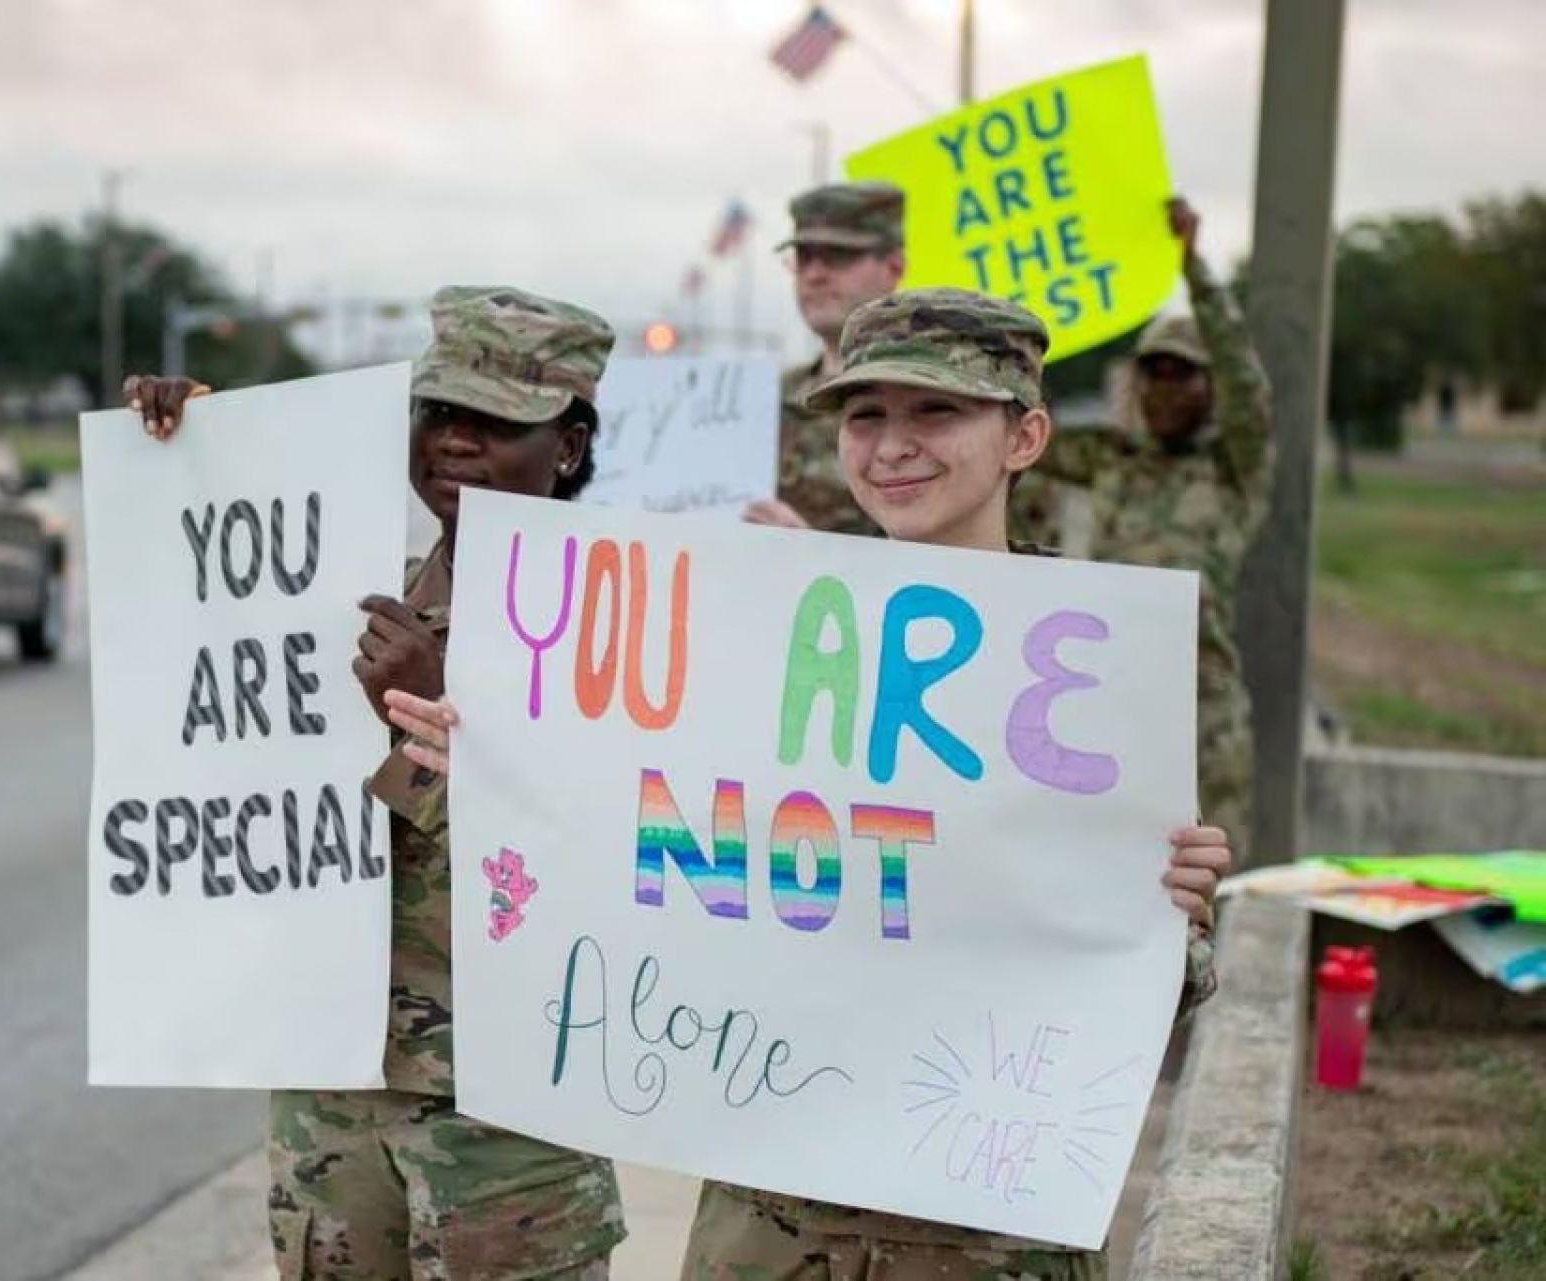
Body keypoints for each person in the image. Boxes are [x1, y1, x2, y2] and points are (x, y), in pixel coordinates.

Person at [389, 288, 1233, 1280]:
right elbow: (644, 860)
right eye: (865, 416)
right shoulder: (750, 632)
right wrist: (498, 783)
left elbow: (1136, 994)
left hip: (986, 1233)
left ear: (1027, 435)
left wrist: (1177, 915)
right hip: (770, 1224)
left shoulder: (1093, 672)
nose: (893, 447)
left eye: (937, 413)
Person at [125, 285, 627, 1280]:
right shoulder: (353, 593)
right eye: (441, 413)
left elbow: (603, 872)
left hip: (505, 1118)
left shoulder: (612, 635)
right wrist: (185, 458)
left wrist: (436, 727)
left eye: (498, 422)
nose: (457, 441)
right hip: (331, 1091)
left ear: (566, 447)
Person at [1011, 197, 1272, 855]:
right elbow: (1002, 440)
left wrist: (1196, 271)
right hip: (1103, 699)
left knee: (1214, 877)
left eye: (1181, 373)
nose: (1164, 388)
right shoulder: (1107, 459)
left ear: (1209, 386)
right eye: (1152, 372)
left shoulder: (1234, 468)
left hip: (1199, 711)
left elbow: (1248, 385)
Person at [772, 180, 906, 536]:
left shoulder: (929, 399)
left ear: (894, 264)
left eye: (838, 255)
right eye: (804, 258)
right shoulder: (762, 400)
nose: (815, 274)